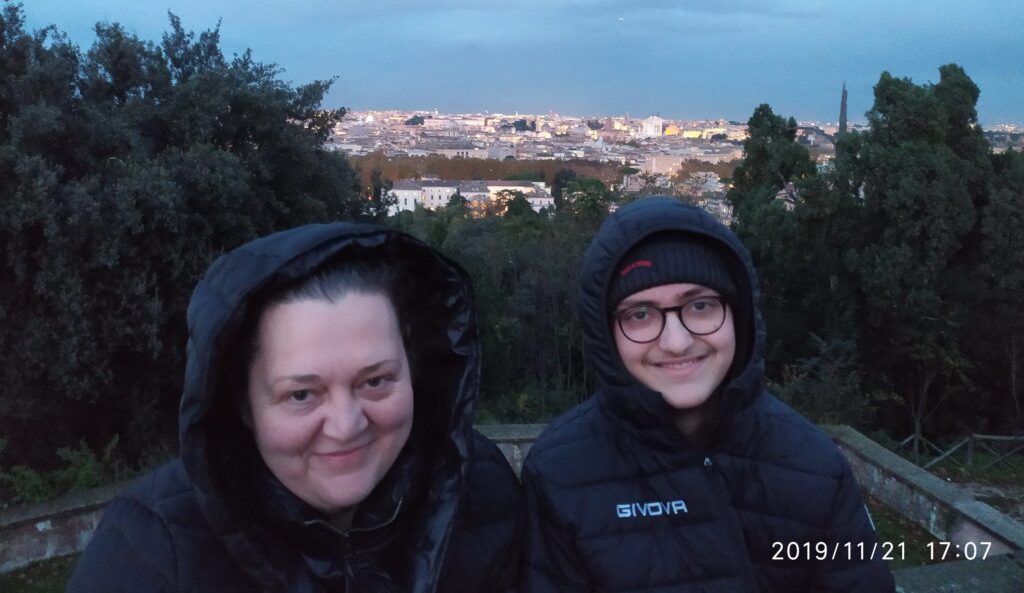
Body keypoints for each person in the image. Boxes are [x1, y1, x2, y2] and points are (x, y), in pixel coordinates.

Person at [69, 222, 522, 592]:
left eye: (376, 381)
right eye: (301, 395)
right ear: (244, 404)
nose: (346, 426)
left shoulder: (481, 487)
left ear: (414, 370)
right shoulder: (150, 551)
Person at [522, 196, 895, 592]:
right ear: (605, 335)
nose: (677, 342)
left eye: (700, 305)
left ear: (739, 315)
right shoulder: (559, 472)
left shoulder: (813, 464)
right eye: (640, 314)